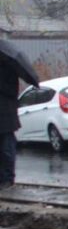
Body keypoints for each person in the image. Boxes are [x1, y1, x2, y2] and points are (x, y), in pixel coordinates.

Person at [0, 59, 21, 190]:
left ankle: (8, 178)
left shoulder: (9, 70)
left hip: (7, 118)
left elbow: (12, 92)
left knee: (7, 150)